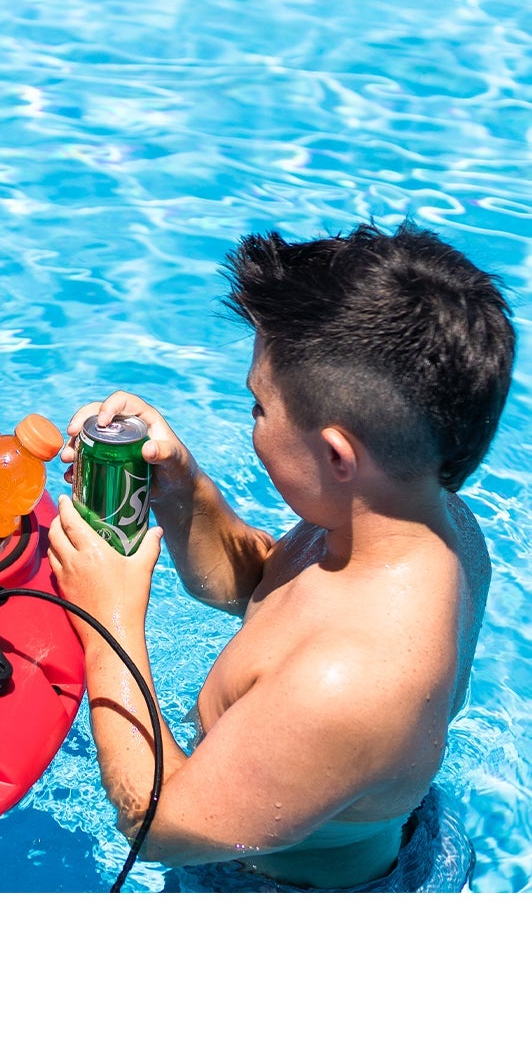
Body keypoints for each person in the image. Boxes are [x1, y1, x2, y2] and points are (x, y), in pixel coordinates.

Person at [47, 222, 514, 891]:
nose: (254, 422)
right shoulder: (412, 524)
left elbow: (157, 831)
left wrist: (108, 621)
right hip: (323, 813)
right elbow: (261, 594)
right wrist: (184, 490)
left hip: (274, 888)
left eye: (258, 407)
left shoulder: (349, 681)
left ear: (337, 456)